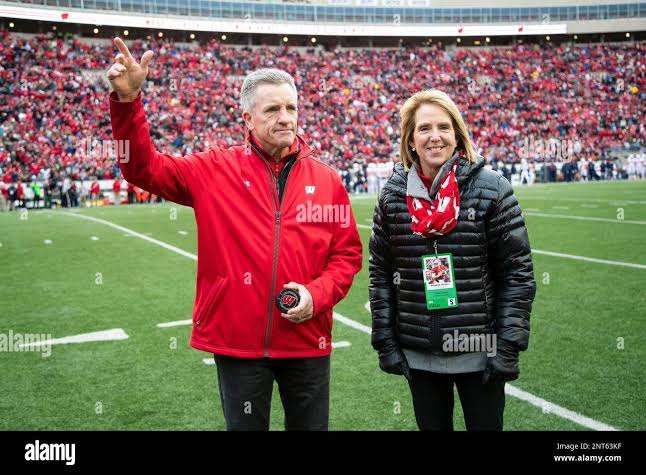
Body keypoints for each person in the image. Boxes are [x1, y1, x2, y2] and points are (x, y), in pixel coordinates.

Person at [106, 37, 362, 431]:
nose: (285, 117)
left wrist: (317, 294)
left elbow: (347, 256)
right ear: (247, 118)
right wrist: (128, 104)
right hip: (237, 343)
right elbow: (140, 169)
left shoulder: (327, 179)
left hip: (307, 339)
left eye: (291, 107)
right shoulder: (213, 170)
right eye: (273, 109)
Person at [369, 89, 536, 431]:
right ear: (411, 140)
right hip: (419, 351)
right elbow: (381, 274)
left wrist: (508, 344)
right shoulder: (391, 196)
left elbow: (516, 272)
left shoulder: (491, 187)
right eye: (424, 128)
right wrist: (385, 341)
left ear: (457, 135)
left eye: (444, 127)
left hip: (480, 348)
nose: (435, 137)